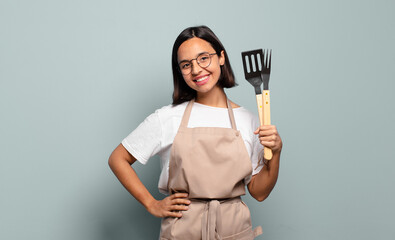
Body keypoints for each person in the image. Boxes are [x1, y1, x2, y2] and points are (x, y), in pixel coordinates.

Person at [108, 25, 282, 239]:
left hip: (234, 230)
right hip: (183, 230)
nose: (197, 70)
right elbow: (118, 159)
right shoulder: (168, 118)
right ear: (180, 71)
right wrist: (151, 204)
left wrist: (276, 153)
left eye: (203, 58)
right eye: (186, 65)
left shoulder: (249, 120)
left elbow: (259, 192)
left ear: (221, 58)